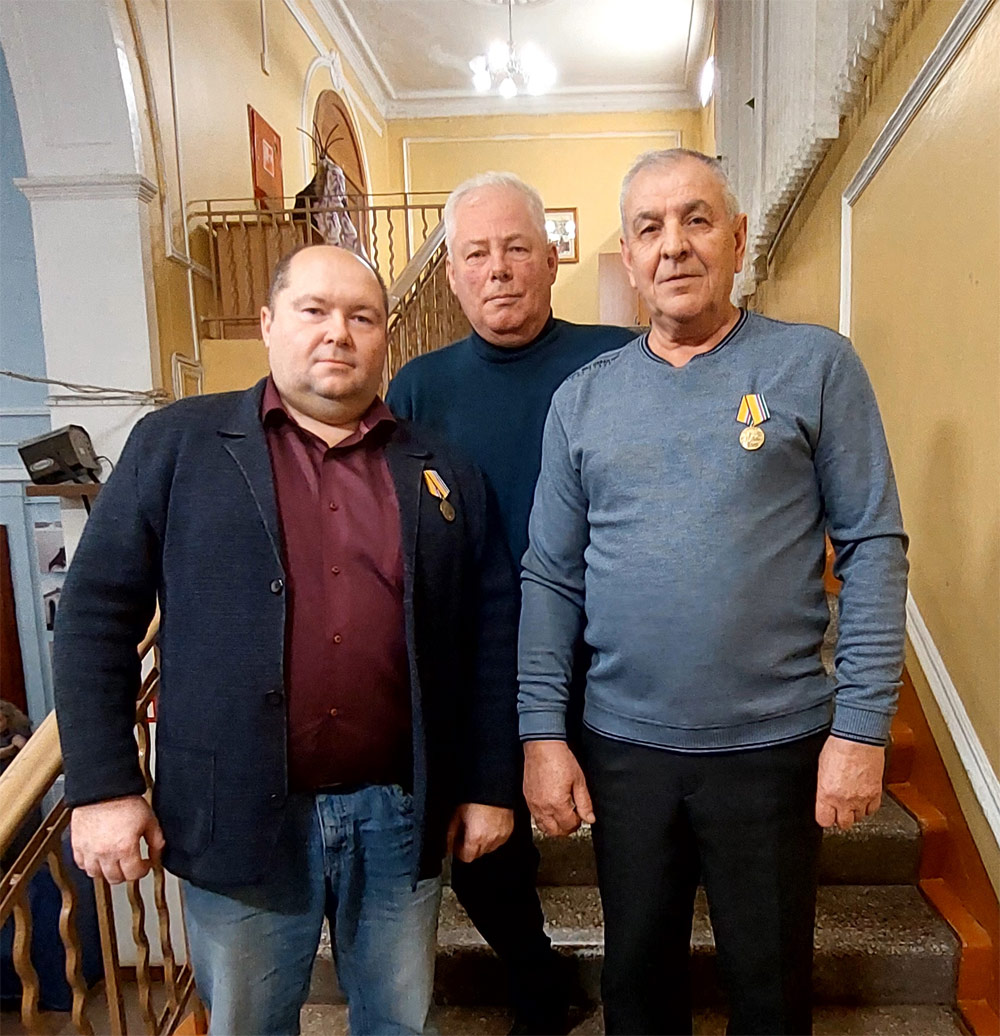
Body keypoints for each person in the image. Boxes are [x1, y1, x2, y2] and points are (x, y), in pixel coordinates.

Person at [54, 244, 521, 1036]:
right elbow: (96, 615)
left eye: (362, 316)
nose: (338, 332)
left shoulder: (442, 467)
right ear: (270, 324)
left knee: (398, 1025)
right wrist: (103, 787)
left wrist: (490, 782)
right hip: (236, 813)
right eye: (315, 310)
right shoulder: (177, 445)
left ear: (384, 337)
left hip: (398, 815)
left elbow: (489, 635)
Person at [518, 149, 908, 1036]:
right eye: (649, 228)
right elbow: (551, 576)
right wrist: (542, 733)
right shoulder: (582, 401)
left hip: (772, 748)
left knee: (770, 994)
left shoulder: (815, 366)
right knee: (636, 992)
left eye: (696, 220)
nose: (674, 246)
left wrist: (861, 727)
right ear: (628, 258)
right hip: (625, 750)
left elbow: (873, 547)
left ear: (737, 238)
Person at [387, 172, 634, 1035]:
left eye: (517, 247)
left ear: (552, 258)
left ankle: (637, 992)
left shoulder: (618, 359)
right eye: (476, 254)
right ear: (453, 275)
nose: (497, 269)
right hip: (480, 663)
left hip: (611, 655)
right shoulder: (419, 387)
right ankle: (536, 973)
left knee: (638, 851)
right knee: (484, 852)